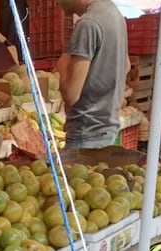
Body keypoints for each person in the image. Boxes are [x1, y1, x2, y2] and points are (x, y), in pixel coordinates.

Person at [56, 0, 128, 149]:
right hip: (108, 129)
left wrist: (62, 64)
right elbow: (125, 66)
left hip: (86, 134)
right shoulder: (114, 13)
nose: (56, 2)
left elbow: (71, 94)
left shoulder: (87, 24)